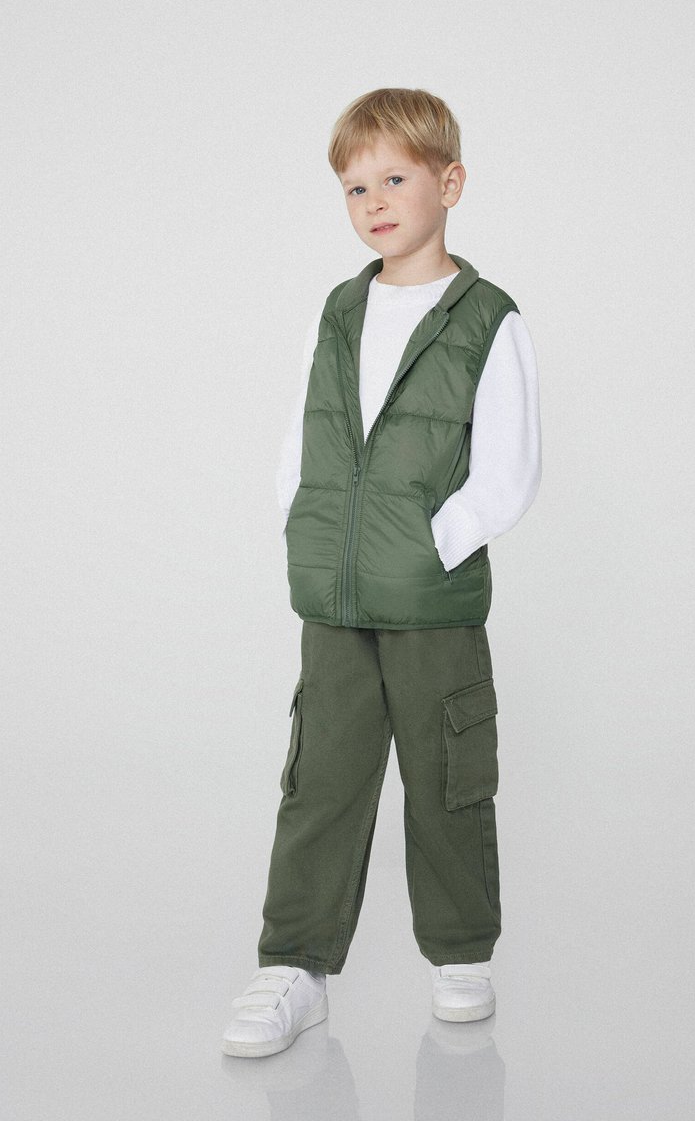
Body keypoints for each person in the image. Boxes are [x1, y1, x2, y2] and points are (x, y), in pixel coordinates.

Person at [222, 87, 542, 1058]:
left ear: (450, 183)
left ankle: (461, 954)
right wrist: (302, 523)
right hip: (334, 592)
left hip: (431, 599)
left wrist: (435, 542)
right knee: (320, 778)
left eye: (395, 179)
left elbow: (510, 468)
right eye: (356, 188)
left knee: (447, 779)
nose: (374, 202)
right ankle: (295, 964)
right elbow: (304, 431)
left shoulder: (487, 319)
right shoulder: (340, 309)